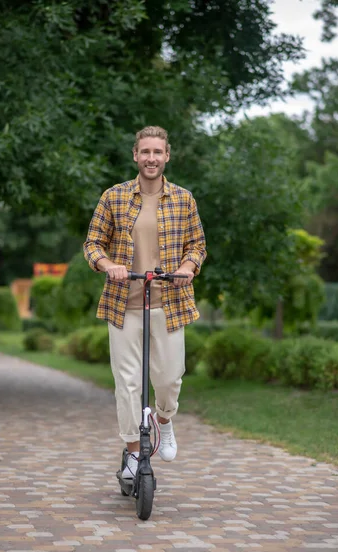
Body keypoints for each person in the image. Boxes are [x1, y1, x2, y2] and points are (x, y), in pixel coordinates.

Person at [83, 125, 206, 479]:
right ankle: (134, 454)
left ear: (167, 156)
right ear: (135, 156)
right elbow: (93, 243)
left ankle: (164, 422)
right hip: (124, 306)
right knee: (128, 384)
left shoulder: (184, 199)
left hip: (169, 303)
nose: (151, 158)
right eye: (145, 152)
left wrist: (186, 267)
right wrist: (109, 266)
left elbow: (197, 246)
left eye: (158, 152)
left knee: (169, 380)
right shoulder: (114, 197)